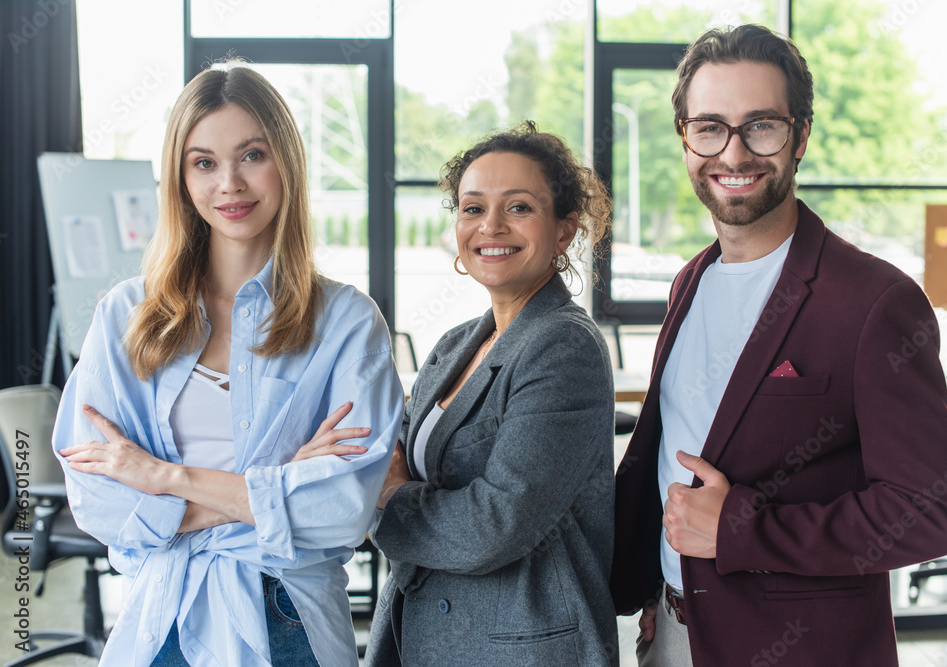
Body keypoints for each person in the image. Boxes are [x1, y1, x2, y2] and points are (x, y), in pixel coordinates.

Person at [611, 24, 947, 667]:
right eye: (710, 126)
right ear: (685, 139)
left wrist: (744, 529)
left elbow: (928, 512)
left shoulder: (873, 301)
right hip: (674, 631)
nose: (735, 153)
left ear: (800, 136)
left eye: (762, 126)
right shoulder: (691, 280)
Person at [52, 64, 403, 666]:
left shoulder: (347, 321)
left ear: (285, 162)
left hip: (289, 621)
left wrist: (163, 477)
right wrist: (282, 482)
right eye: (204, 162)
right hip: (162, 615)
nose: (230, 183)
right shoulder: (126, 316)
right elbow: (97, 499)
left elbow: (342, 510)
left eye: (252, 154)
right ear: (182, 178)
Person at [366, 122, 619, 665]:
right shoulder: (455, 344)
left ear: (564, 230)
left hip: (520, 647)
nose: (491, 226)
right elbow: (381, 456)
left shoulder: (563, 346)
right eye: (472, 208)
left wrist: (387, 498)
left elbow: (494, 526)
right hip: (424, 637)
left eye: (520, 207)